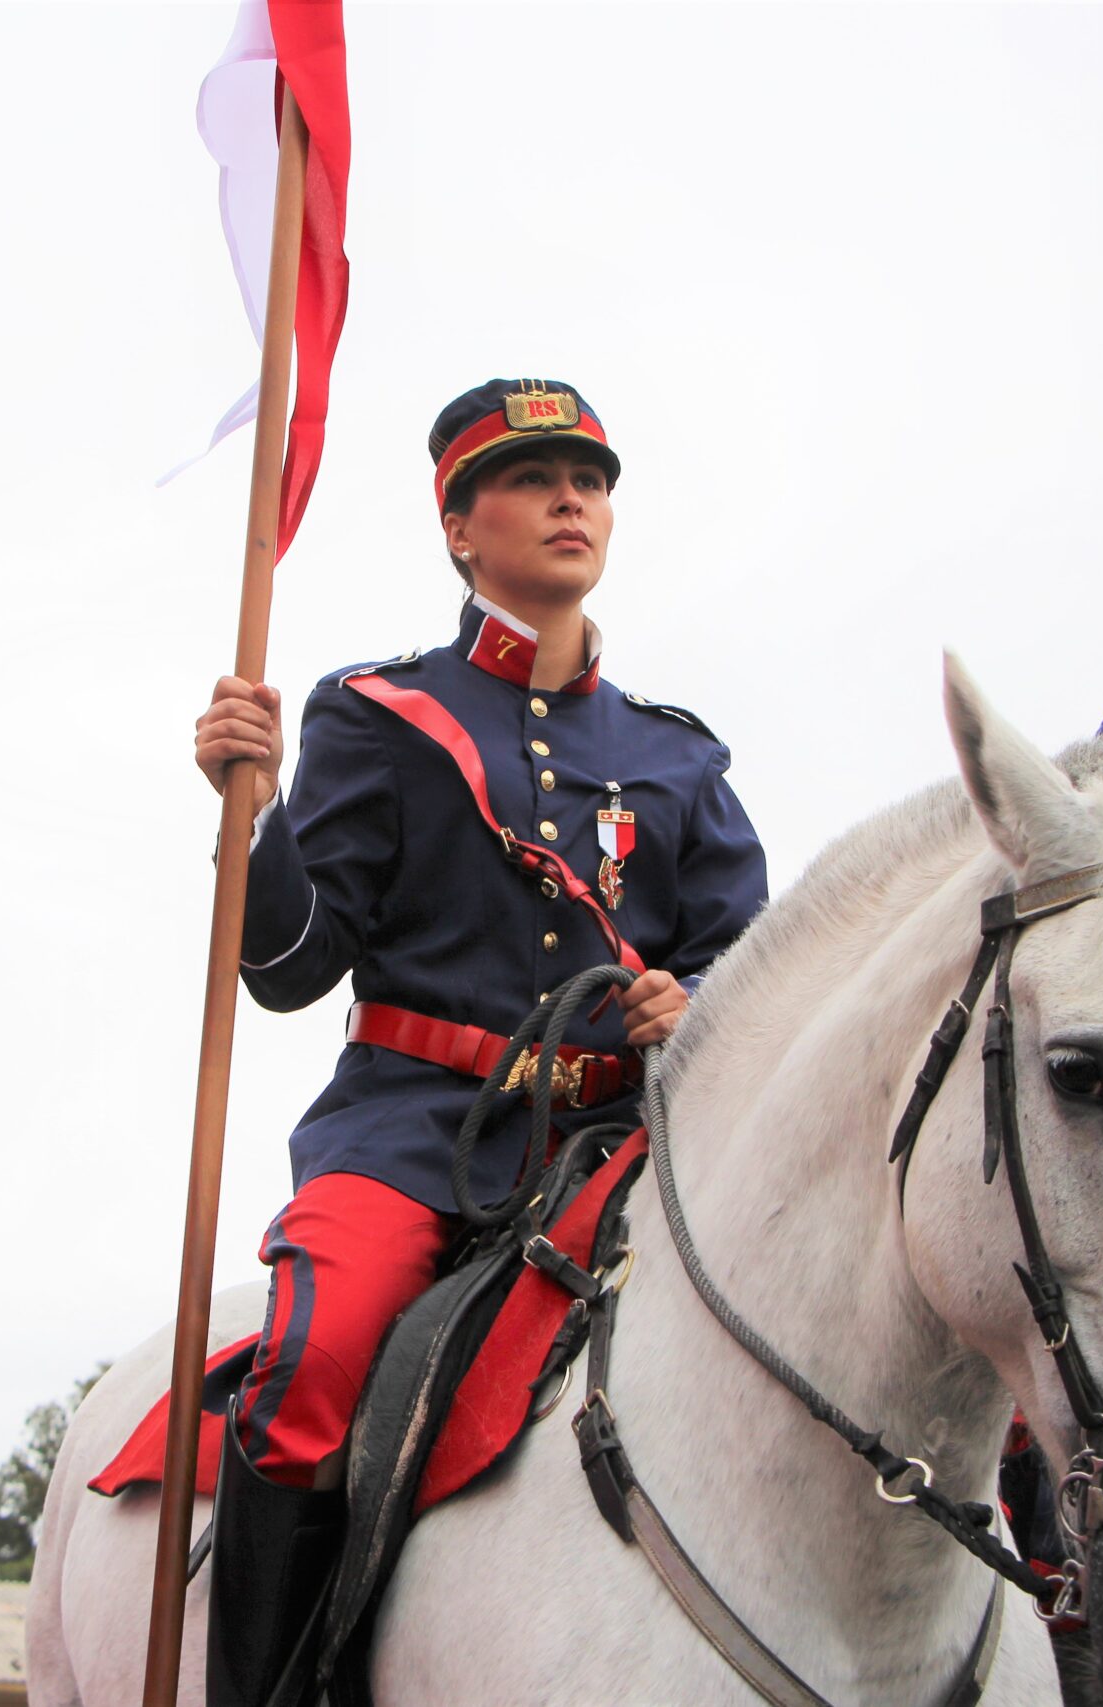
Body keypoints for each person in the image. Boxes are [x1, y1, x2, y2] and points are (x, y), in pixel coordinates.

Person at [187, 377, 769, 1704]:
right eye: (534, 477)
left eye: (593, 479)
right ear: (460, 527)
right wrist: (252, 815)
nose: (575, 499)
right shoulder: (380, 714)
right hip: (416, 1132)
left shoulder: (676, 759)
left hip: (625, 1143)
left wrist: (701, 1005)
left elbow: (750, 962)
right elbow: (288, 967)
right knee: (313, 1356)